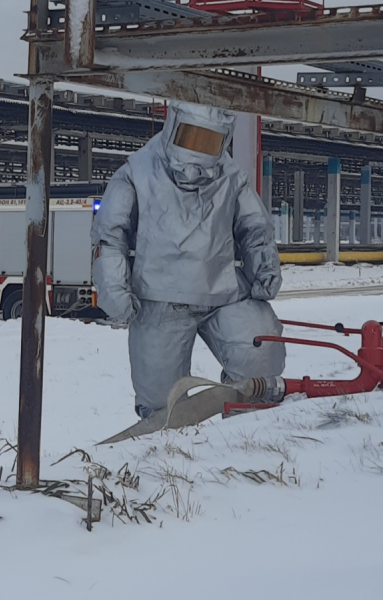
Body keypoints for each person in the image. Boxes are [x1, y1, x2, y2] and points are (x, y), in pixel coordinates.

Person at [91, 100, 286, 419]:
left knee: (260, 351)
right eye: (191, 137)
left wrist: (264, 268)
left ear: (223, 139)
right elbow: (110, 234)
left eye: (209, 141)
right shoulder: (136, 173)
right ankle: (165, 442)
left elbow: (255, 228)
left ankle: (248, 419)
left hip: (225, 293)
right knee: (160, 402)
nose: (199, 150)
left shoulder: (231, 176)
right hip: (159, 299)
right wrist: (114, 287)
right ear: (172, 127)